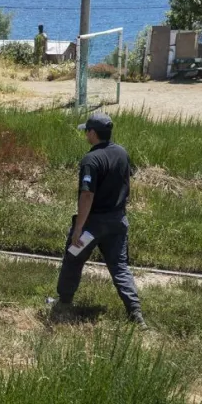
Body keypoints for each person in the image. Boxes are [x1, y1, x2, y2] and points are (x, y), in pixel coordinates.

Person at [50, 112, 147, 329]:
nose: (85, 134)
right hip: (118, 221)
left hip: (92, 225)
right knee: (120, 267)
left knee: (73, 259)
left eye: (87, 131)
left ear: (93, 133)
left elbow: (87, 195)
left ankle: (64, 302)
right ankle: (136, 313)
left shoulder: (91, 160)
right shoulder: (122, 153)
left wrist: (79, 229)